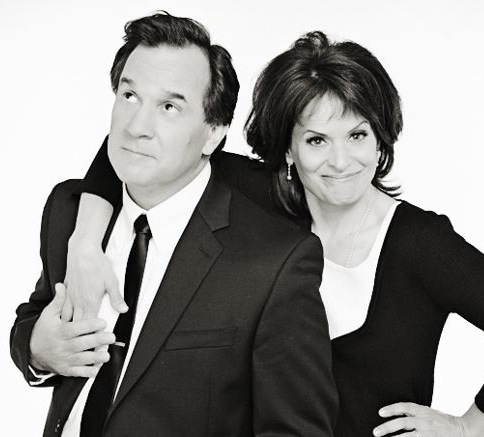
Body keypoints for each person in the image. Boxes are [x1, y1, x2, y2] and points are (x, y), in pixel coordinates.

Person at [62, 29, 484, 437]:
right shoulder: (257, 198)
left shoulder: (420, 243)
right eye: (317, 141)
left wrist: (467, 426)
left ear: (380, 139)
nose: (340, 161)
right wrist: (84, 244)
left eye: (357, 135)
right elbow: (135, 152)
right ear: (288, 149)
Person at [10, 13, 338, 437]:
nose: (136, 127)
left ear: (213, 133)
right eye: (130, 95)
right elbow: (34, 317)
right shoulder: (69, 212)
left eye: (169, 107)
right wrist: (37, 350)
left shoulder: (275, 261)